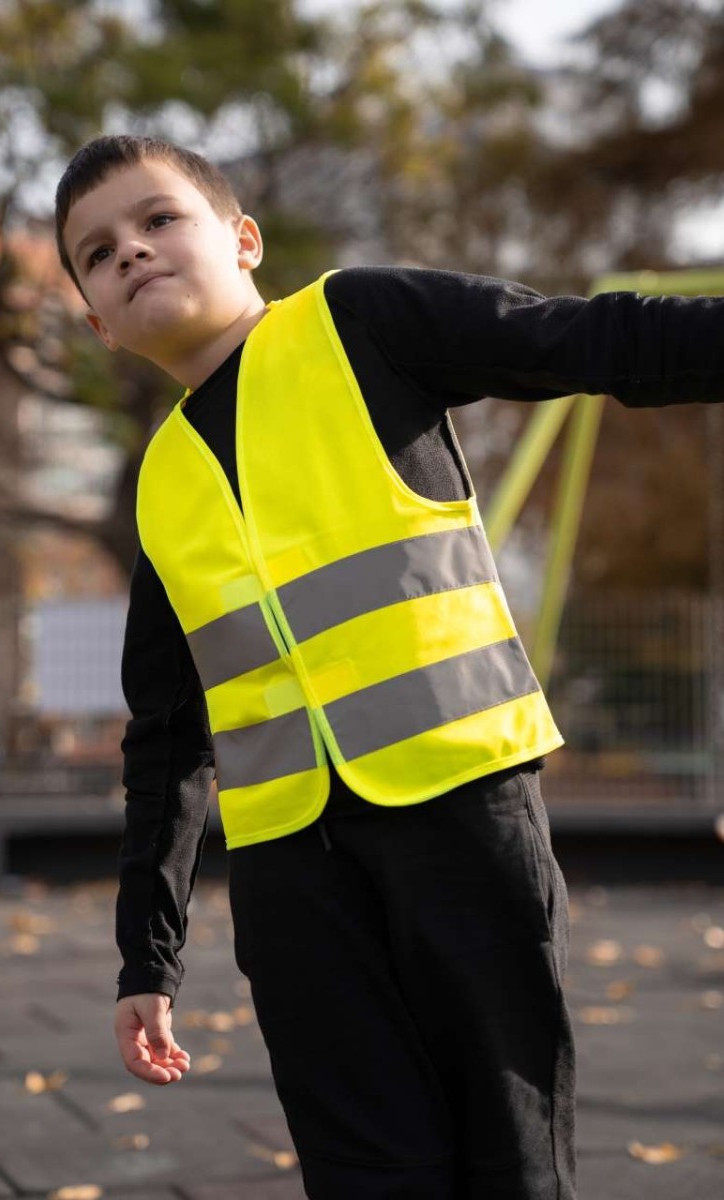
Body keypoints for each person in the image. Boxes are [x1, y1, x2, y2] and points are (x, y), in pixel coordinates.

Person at [54, 134, 723, 1200]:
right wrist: (148, 957)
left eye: (156, 220)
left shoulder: (358, 324)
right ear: (95, 320)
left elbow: (590, 340)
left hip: (458, 815)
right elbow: (166, 738)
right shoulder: (160, 481)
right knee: (363, 1171)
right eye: (96, 252)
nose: (129, 251)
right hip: (289, 882)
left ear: (242, 238)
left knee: (505, 1158)